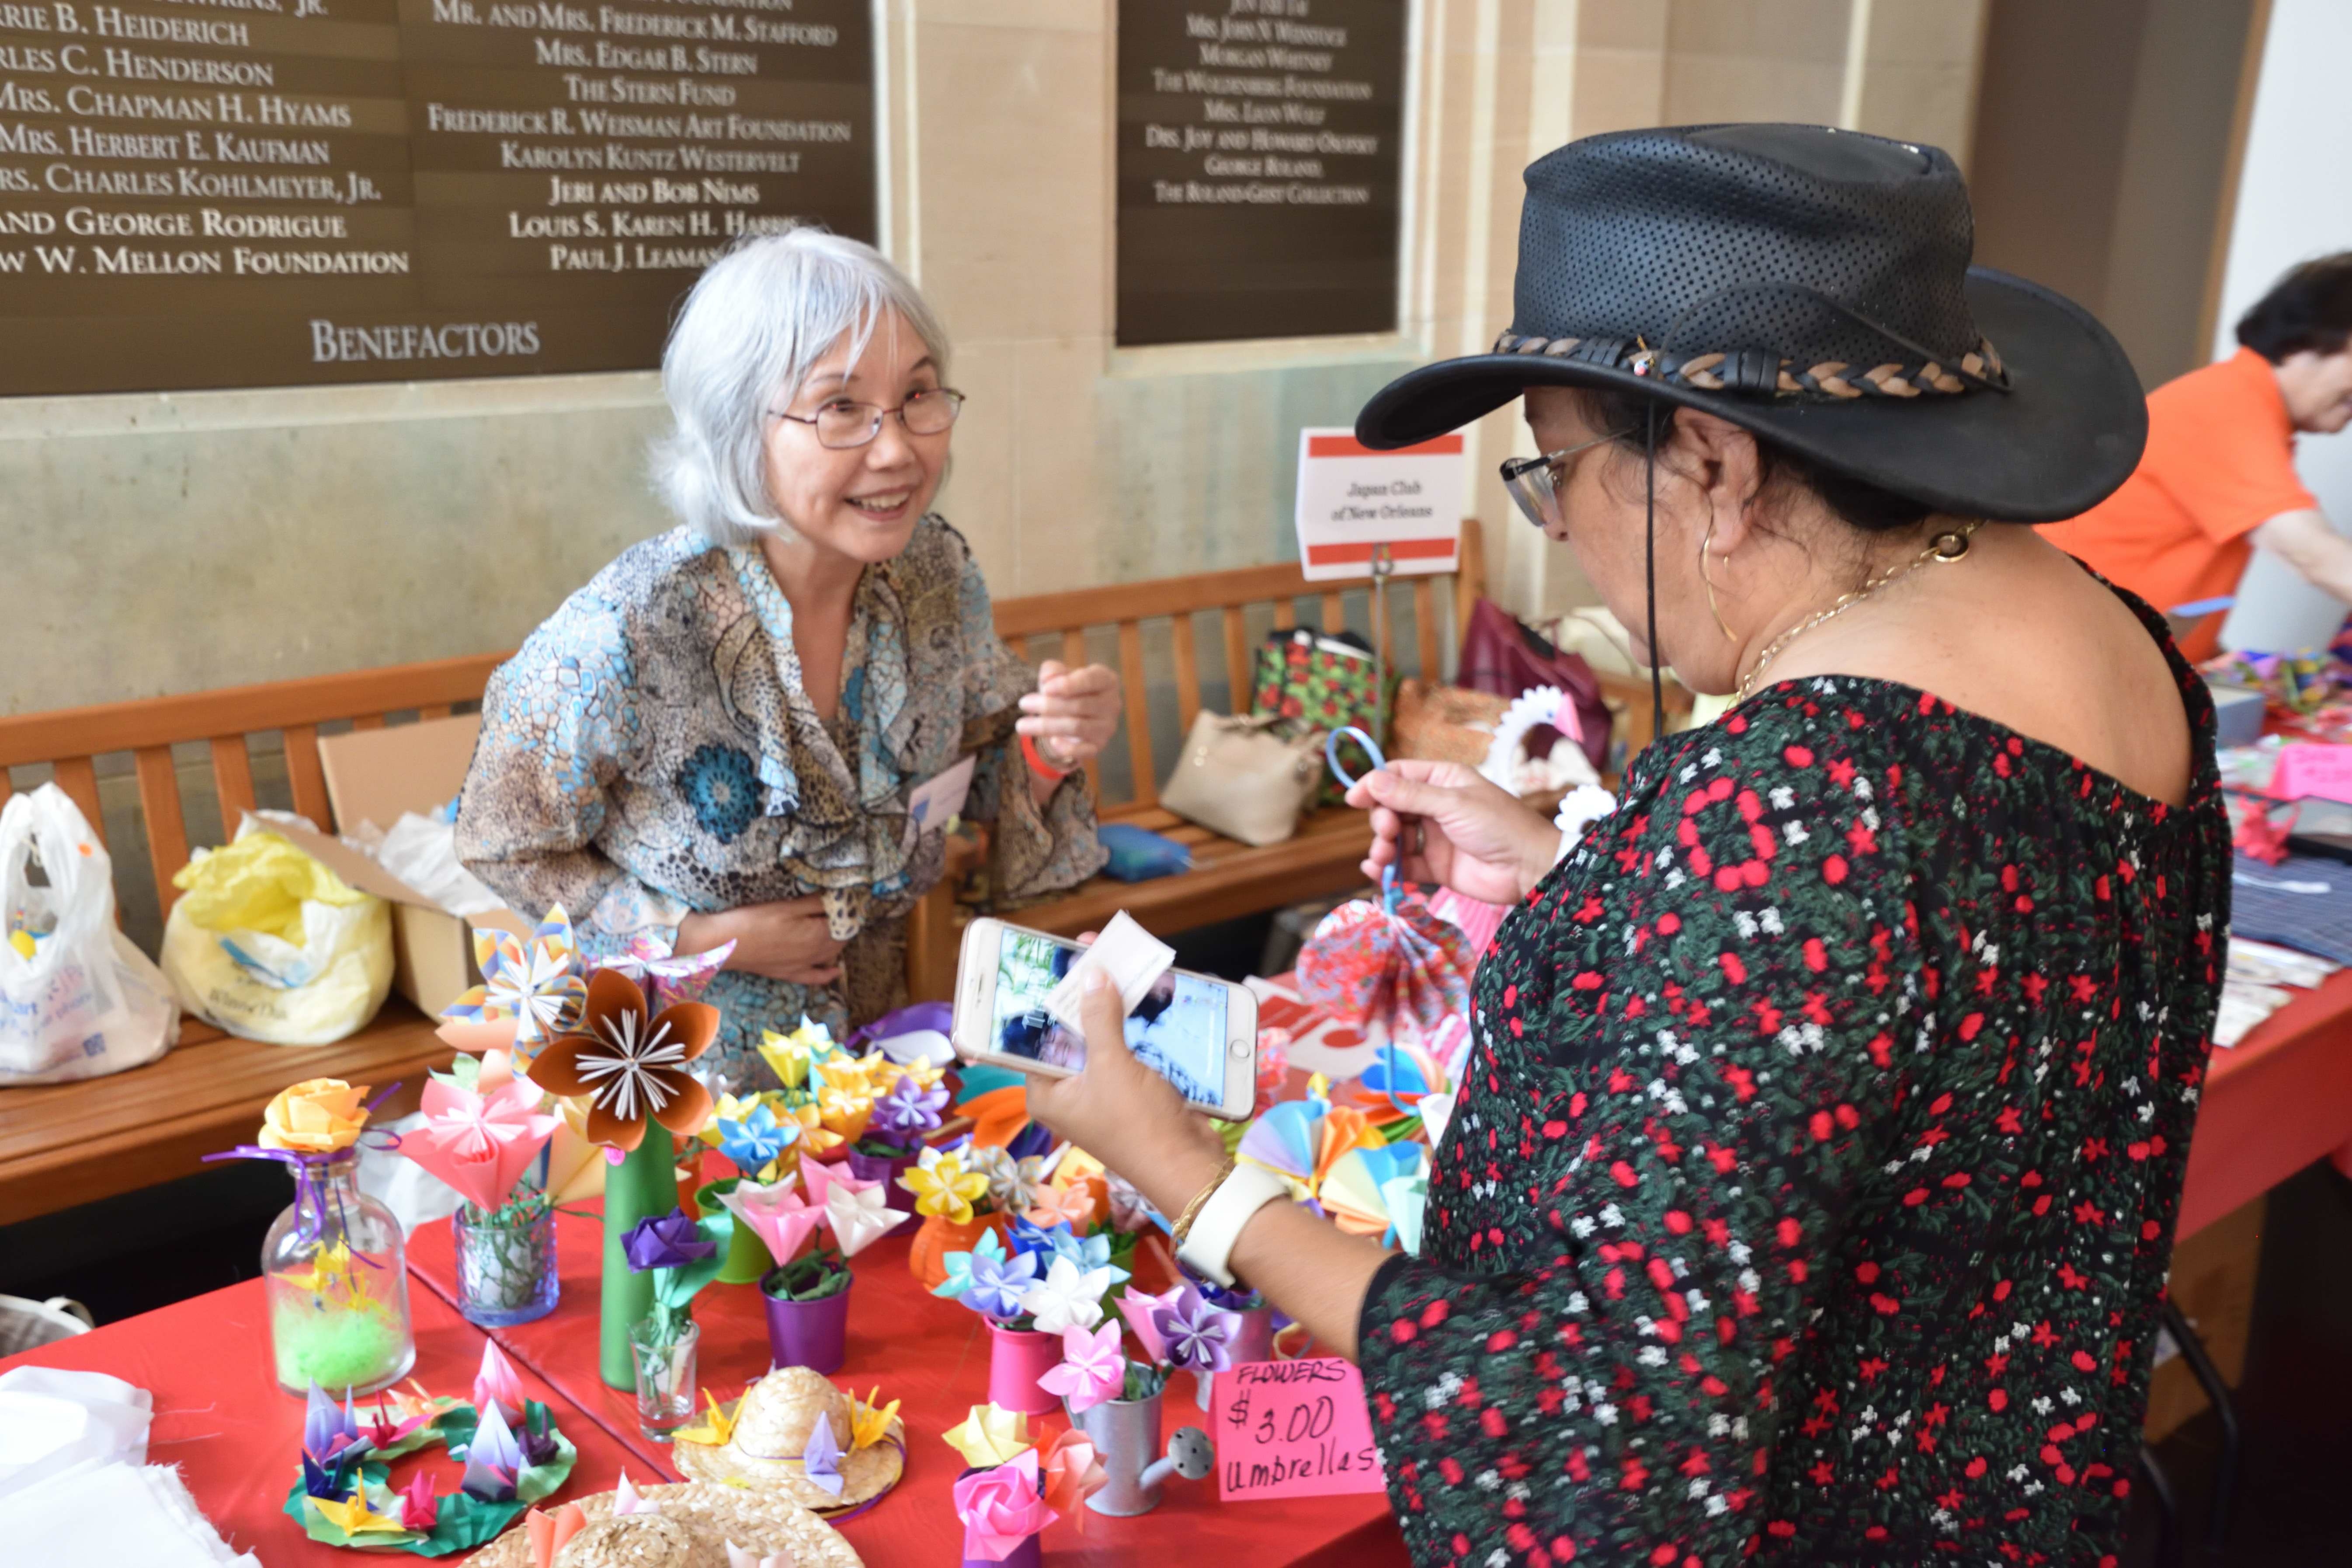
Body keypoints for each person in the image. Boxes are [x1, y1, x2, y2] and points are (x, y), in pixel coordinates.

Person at [1026, 124, 2228, 1563]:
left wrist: (1184, 1171)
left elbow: (1590, 1423)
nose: (1557, 534)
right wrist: (1570, 874)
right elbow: (1907, 995)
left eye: (1555, 471)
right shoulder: (2109, 644)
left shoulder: (1798, 790)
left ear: (1713, 462)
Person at [457, 229, 1120, 1085]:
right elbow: (499, 838)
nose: (896, 448)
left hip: (881, 1064)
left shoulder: (933, 574)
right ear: (739, 424)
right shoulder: (633, 624)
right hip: (675, 1086)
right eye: (840, 407)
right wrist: (695, 938)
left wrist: (1047, 745)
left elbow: (976, 781)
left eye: (918, 394)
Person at [2041, 253, 2352, 657]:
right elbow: (2307, 549)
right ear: (2305, 343)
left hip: (2104, 657)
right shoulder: (2227, 405)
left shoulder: (2247, 409)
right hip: (2073, 659)